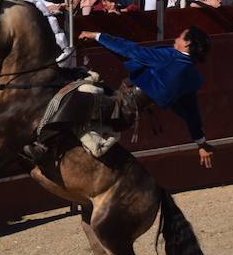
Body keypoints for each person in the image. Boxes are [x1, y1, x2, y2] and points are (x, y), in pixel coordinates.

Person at [26, 26, 216, 168]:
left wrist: (98, 36)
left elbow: (132, 51)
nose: (176, 38)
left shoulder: (171, 56)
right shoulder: (192, 77)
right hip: (128, 115)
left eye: (180, 36)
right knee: (87, 83)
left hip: (117, 106)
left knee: (77, 92)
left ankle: (41, 144)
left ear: (187, 43)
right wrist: (201, 143)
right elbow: (192, 113)